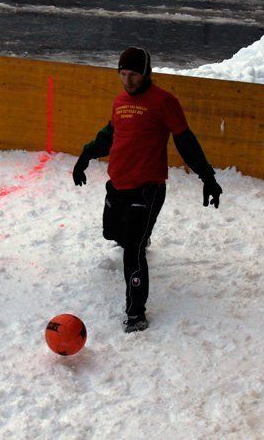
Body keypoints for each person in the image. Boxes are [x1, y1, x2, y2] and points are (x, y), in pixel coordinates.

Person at [73, 47, 222, 333]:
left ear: (146, 73)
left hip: (147, 188)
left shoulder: (165, 102)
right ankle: (141, 235)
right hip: (118, 184)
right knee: (112, 233)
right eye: (122, 74)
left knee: (133, 250)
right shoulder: (119, 102)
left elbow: (186, 142)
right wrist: (85, 156)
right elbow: (109, 135)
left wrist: (207, 176)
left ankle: (136, 314)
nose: (127, 81)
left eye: (133, 75)